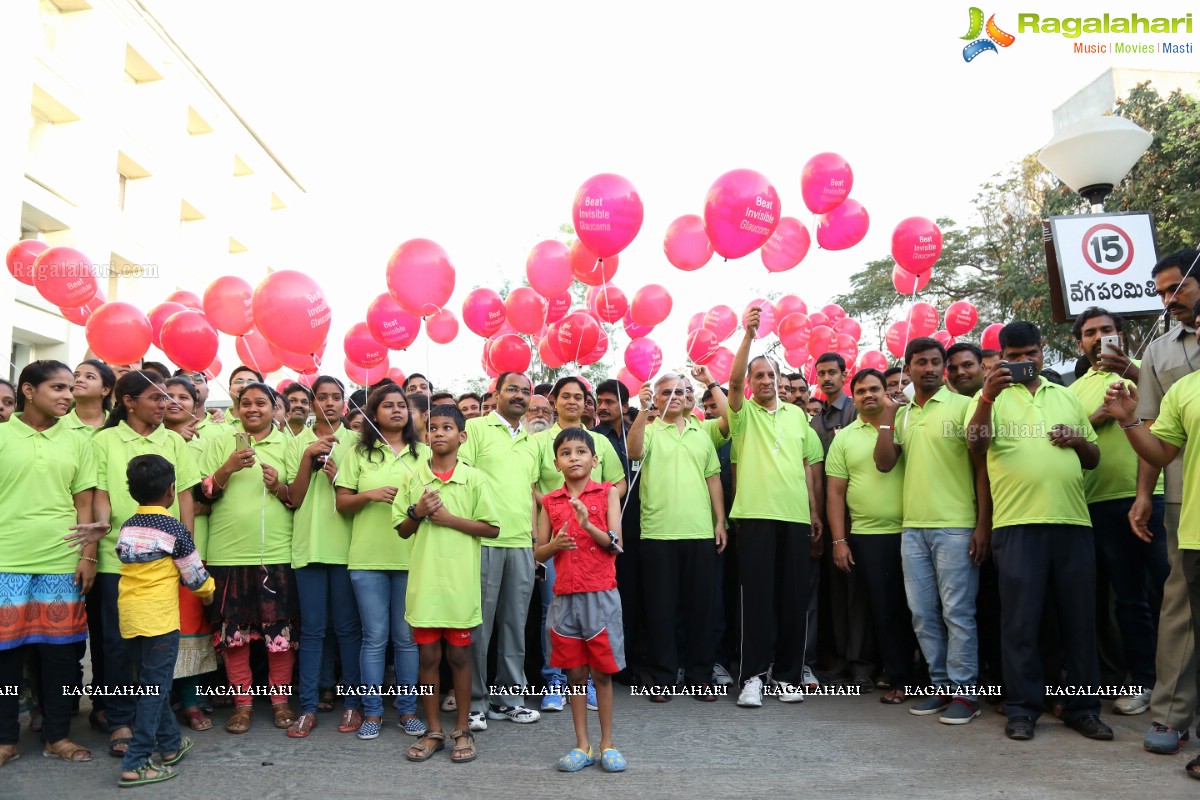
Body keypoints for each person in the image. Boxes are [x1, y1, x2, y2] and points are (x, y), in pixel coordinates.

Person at [965, 321, 1109, 742]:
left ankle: (1083, 709)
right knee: (1020, 624)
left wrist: (1077, 441)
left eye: (1032, 353)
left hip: (1072, 523)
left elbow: (1094, 457)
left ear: (1043, 351)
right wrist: (988, 396)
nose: (1026, 362)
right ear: (1002, 357)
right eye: (1015, 356)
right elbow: (974, 443)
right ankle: (1023, 708)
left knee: (1080, 622)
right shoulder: (988, 397)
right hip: (1016, 525)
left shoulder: (1065, 394)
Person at [1105, 303, 1200, 779]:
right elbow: (1161, 452)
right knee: (1183, 619)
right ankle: (1175, 717)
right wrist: (1127, 420)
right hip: (1195, 523)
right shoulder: (1184, 389)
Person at [874, 337, 988, 724]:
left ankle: (966, 694)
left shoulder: (964, 405)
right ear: (908, 368)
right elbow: (885, 463)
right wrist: (888, 416)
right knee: (923, 614)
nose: (930, 368)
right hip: (913, 530)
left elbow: (981, 469)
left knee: (958, 612)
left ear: (944, 366)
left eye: (936, 362)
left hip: (956, 527)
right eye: (920, 362)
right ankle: (939, 686)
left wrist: (981, 525)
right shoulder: (903, 414)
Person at [89, 371, 199, 758]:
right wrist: (101, 526)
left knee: (158, 644)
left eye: (167, 397)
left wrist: (187, 552)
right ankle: (120, 719)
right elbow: (100, 492)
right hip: (114, 558)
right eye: (155, 397)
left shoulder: (174, 441)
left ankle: (153, 722)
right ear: (128, 401)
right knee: (117, 643)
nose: (164, 403)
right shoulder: (103, 440)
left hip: (164, 562)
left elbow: (185, 498)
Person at [1069, 307, 1168, 717]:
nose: (1098, 337)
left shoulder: (1150, 369)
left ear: (1121, 334)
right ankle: (1143, 681)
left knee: (1169, 593)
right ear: (1080, 343)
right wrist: (1101, 414)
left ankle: (1180, 685)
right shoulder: (1072, 392)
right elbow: (1071, 437)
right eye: (1090, 332)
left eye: (1106, 330)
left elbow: (1166, 422)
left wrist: (1132, 373)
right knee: (1128, 599)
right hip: (1100, 503)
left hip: (1156, 495)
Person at [0, 361, 97, 768]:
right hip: (7, 560)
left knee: (59, 656)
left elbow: (84, 501)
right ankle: (5, 739)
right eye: (57, 387)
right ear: (28, 390)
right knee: (5, 658)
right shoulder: (3, 435)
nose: (67, 396)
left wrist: (87, 555)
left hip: (61, 560)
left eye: (70, 389)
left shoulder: (77, 439)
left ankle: (57, 736)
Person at [728, 307, 822, 707]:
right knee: (758, 600)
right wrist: (748, 336)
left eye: (771, 375)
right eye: (758, 376)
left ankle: (786, 676)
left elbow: (807, 466)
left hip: (795, 517)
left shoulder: (799, 417)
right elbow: (730, 382)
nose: (765, 381)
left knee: (793, 599)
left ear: (780, 381)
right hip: (754, 517)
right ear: (750, 384)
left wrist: (815, 512)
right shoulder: (743, 414)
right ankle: (752, 676)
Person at [396, 404, 500, 765]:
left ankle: (463, 730)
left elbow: (491, 528)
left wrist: (448, 518)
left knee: (458, 656)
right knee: (427, 658)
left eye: (447, 427)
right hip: (425, 586)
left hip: (460, 587)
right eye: (432, 428)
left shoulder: (475, 479)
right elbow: (402, 528)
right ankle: (434, 730)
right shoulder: (414, 477)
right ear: (425, 436)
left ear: (462, 436)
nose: (438, 433)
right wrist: (418, 512)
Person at [200, 382, 299, 734]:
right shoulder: (219, 442)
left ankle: (281, 701)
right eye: (245, 403)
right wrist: (226, 469)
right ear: (236, 408)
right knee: (234, 637)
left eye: (261, 402)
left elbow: (297, 498)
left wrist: (277, 486)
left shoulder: (289, 444)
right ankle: (242, 705)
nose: (253, 408)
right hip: (227, 554)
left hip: (277, 553)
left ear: (275, 408)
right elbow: (202, 494)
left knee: (279, 635)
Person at [1132, 248, 1200, 755]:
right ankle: (1171, 715)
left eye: (1176, 288)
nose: (1167, 300)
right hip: (1183, 496)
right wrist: (1142, 494)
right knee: (1178, 604)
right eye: (1160, 293)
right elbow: (1153, 431)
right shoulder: (1158, 352)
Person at [114, 455, 215, 787]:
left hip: (129, 618)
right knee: (154, 690)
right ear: (172, 490)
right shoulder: (174, 528)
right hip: (159, 621)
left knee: (149, 683)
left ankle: (171, 745)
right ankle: (137, 760)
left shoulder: (128, 526)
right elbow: (196, 577)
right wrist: (209, 592)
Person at [335, 385, 428, 740]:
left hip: (413, 558)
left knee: (405, 639)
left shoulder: (424, 454)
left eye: (401, 405)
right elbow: (342, 504)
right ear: (373, 414)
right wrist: (369, 495)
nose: (396, 410)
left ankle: (407, 711)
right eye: (387, 405)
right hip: (368, 557)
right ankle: (372, 713)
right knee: (374, 638)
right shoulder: (358, 454)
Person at [627, 374, 725, 700]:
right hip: (657, 534)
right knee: (660, 611)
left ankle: (700, 676)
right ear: (655, 398)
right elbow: (633, 451)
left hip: (699, 533)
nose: (674, 396)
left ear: (689, 397)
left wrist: (720, 521)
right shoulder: (650, 430)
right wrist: (642, 412)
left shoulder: (701, 432)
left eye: (680, 392)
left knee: (701, 611)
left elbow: (713, 479)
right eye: (666, 392)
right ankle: (663, 677)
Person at [534, 427, 626, 773]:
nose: (574, 457)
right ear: (556, 463)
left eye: (581, 452)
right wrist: (552, 547)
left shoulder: (607, 494)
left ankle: (607, 743)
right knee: (574, 673)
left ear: (594, 459)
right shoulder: (550, 501)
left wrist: (588, 525)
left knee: (601, 673)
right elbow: (539, 552)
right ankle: (582, 745)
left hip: (600, 593)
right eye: (566, 453)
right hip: (564, 597)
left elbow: (616, 545)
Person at [532, 377, 627, 711]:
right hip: (557, 541)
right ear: (553, 400)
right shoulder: (538, 440)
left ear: (593, 458)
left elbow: (619, 485)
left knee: (594, 628)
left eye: (578, 396)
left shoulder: (601, 450)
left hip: (597, 566)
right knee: (555, 619)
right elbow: (531, 486)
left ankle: (589, 682)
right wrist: (554, 523)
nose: (574, 458)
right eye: (565, 396)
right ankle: (555, 680)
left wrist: (595, 509)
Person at [826, 369, 914, 705]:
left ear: (886, 390)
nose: (868, 395)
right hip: (868, 535)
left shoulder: (907, 423)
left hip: (915, 530)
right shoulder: (845, 437)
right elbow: (835, 493)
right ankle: (898, 675)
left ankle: (930, 677)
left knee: (920, 610)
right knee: (885, 609)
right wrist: (839, 540)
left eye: (874, 389)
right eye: (860, 391)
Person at [459, 372, 542, 729]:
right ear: (496, 394)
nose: (520, 396)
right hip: (483, 542)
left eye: (526, 392)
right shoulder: (475, 429)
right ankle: (474, 702)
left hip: (521, 544)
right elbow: (461, 480)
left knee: (514, 626)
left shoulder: (530, 441)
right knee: (479, 628)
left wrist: (535, 538)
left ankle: (509, 699)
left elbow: (531, 493)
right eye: (513, 390)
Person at [288, 376, 363, 738]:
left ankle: (352, 703)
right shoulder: (296, 440)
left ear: (345, 403)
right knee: (313, 630)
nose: (329, 403)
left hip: (347, 547)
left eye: (336, 397)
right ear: (312, 402)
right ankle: (306, 706)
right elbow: (294, 497)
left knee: (348, 630)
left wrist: (338, 478)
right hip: (308, 546)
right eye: (322, 397)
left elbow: (359, 496)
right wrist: (307, 456)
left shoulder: (357, 443)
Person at [809, 352, 874, 692]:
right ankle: (844, 662)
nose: (826, 378)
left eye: (832, 372)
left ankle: (863, 665)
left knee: (858, 596)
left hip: (860, 519)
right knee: (838, 595)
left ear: (845, 374)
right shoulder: (817, 421)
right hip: (829, 521)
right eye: (821, 373)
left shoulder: (854, 411)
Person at [162, 378, 218, 733]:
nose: (174, 401)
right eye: (166, 395)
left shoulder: (206, 439)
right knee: (155, 626)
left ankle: (192, 701)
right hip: (145, 550)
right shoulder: (142, 438)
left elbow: (207, 498)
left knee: (191, 625)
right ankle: (157, 702)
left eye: (183, 396)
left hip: (192, 547)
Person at [593, 379, 645, 687]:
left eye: (610, 401)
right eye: (600, 400)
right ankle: (605, 661)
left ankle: (631, 661)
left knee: (633, 596)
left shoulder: (638, 434)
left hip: (640, 524)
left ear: (625, 406)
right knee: (607, 598)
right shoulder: (594, 437)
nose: (603, 405)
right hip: (603, 528)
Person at [66, 359, 114, 433]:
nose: (79, 380)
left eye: (90, 377)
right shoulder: (56, 425)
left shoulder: (117, 425)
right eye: (76, 376)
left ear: (105, 390)